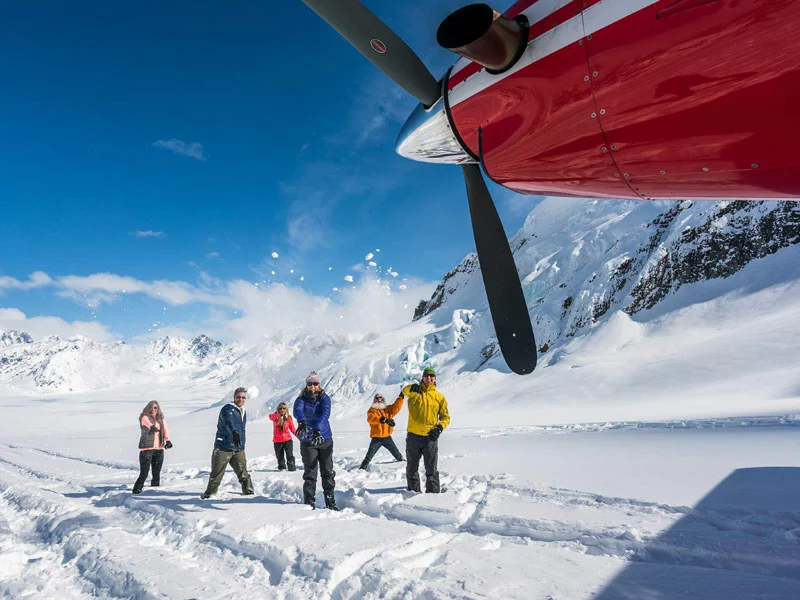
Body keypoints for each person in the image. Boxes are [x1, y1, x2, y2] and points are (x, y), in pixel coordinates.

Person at [401, 367, 450, 493]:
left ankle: (433, 497)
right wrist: (412, 387)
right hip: (413, 437)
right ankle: (413, 494)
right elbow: (404, 391)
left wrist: (439, 428)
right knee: (411, 468)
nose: (429, 378)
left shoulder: (439, 397)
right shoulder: (414, 392)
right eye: (426, 375)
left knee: (431, 470)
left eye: (431, 376)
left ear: (435, 379)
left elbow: (445, 417)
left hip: (430, 438)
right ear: (423, 378)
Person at [294, 371, 338, 510]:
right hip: (308, 441)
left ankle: (330, 502)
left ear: (319, 384)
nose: (312, 386)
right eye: (310, 384)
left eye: (315, 383)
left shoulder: (325, 398)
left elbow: (325, 413)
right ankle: (309, 503)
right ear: (306, 385)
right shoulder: (301, 399)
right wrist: (301, 422)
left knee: (327, 472)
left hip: (324, 439)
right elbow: (298, 411)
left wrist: (318, 429)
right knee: (310, 473)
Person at [202, 387, 254, 498]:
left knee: (243, 473)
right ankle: (209, 495)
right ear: (234, 397)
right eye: (238, 397)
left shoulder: (242, 411)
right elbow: (229, 421)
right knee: (217, 475)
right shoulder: (228, 409)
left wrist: (241, 442)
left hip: (238, 447)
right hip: (223, 447)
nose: (241, 399)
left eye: (243, 397)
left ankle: (249, 493)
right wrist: (234, 431)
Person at [133, 400, 172, 494]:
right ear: (149, 407)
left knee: (156, 472)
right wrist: (151, 426)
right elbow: (146, 423)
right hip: (147, 449)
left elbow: (165, 429)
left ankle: (154, 491)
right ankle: (136, 490)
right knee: (144, 472)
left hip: (159, 448)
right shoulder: (144, 417)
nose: (154, 409)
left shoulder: (161, 418)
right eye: (153, 407)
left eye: (156, 407)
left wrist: (168, 440)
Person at [359, 392, 404, 470]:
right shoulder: (372, 410)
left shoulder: (387, 409)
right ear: (374, 399)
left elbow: (396, 407)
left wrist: (401, 397)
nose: (379, 399)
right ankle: (363, 467)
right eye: (377, 398)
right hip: (377, 438)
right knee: (369, 455)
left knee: (397, 453)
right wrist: (383, 420)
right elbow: (371, 419)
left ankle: (402, 463)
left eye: (380, 397)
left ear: (383, 399)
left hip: (387, 437)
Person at [269, 402, 297, 471]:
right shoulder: (274, 416)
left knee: (290, 455)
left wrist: (300, 437)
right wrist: (279, 416)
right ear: (278, 409)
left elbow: (292, 429)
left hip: (287, 439)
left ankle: (292, 468)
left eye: (284, 408)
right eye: (280, 408)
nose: (282, 410)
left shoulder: (288, 418)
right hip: (277, 440)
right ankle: (282, 470)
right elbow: (270, 416)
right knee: (279, 456)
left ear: (286, 409)